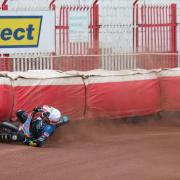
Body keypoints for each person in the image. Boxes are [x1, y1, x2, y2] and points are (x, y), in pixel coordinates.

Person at [0, 105, 69, 147]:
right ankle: (11, 126)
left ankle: (3, 137)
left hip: (31, 136)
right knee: (20, 112)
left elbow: (39, 142)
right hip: (32, 124)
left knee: (20, 136)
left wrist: (29, 142)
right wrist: (37, 110)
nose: (44, 114)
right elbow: (66, 118)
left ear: (51, 120)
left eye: (47, 115)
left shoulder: (49, 129)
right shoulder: (51, 118)